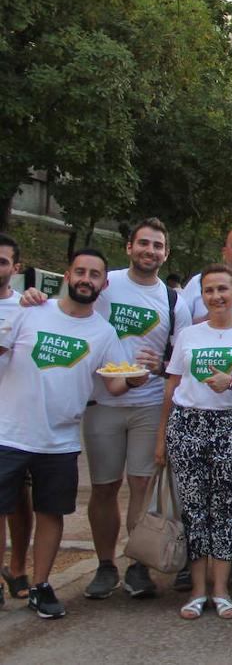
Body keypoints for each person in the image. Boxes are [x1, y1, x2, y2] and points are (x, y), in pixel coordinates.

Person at [0, 249, 140, 619]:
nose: (86, 279)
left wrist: (135, 379)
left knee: (51, 513)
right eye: (80, 272)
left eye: (94, 275)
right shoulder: (32, 310)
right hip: (9, 433)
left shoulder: (104, 332)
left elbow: (112, 386)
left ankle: (41, 586)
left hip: (60, 441)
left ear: (103, 285)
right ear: (67, 275)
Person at [154, 263, 232, 620]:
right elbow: (172, 386)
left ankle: (221, 590)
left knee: (226, 509)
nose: (217, 296)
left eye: (224, 289)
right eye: (209, 290)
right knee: (193, 510)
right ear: (202, 295)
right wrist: (161, 437)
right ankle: (196, 590)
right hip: (187, 425)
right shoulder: (190, 335)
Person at [82, 219, 190, 601]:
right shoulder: (105, 284)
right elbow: (71, 310)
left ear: (166, 253)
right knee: (104, 486)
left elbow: (181, 354)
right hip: (104, 402)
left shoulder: (173, 299)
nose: (150, 250)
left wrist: (160, 368)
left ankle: (137, 565)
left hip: (149, 404)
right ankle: (104, 565)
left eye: (157, 245)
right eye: (143, 243)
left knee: (141, 486)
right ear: (129, 247)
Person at [0, 233, 33, 607]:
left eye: (3, 261)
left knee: (16, 500)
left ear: (16, 268)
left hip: (13, 419)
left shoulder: (27, 310)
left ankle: (19, 567)